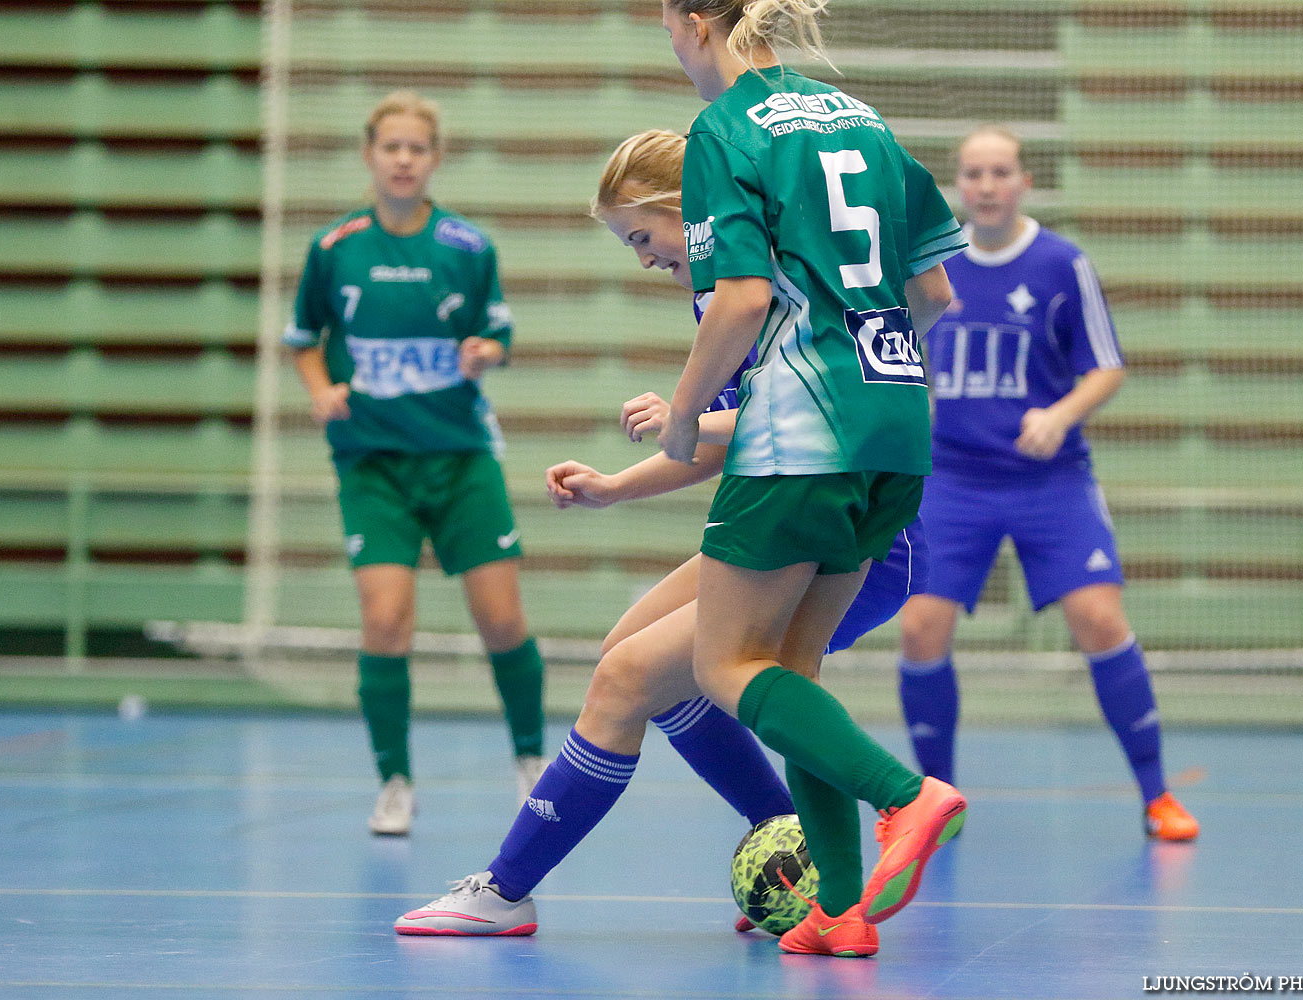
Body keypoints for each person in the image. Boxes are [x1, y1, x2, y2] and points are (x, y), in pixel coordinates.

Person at [393, 128, 929, 945]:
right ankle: (801, 856)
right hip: (820, 507)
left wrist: (689, 414)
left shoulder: (758, 280)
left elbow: (798, 416)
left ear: (689, 208)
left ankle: (505, 889)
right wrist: (617, 486)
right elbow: (737, 439)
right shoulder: (721, 289)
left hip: (843, 527)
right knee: (632, 653)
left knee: (628, 682)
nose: (642, 258)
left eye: (643, 236)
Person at [648, 0, 970, 958]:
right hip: (897, 418)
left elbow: (743, 297)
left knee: (721, 665)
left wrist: (679, 411)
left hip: (801, 425)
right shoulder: (861, 117)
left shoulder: (723, 129)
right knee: (793, 669)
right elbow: (937, 293)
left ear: (696, 21)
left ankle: (911, 796)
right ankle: (839, 911)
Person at [895, 125, 1200, 842]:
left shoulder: (1063, 263)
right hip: (954, 479)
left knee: (1098, 619)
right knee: (919, 628)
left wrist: (1060, 416)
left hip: (1050, 481)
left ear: (1024, 181)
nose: (988, 185)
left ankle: (1157, 795)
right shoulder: (929, 268)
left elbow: (1107, 366)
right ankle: (936, 804)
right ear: (958, 186)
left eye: (1001, 171)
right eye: (973, 173)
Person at [284, 90, 548, 836]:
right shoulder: (335, 249)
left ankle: (531, 759)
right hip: (373, 465)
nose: (403, 159)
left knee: (501, 620)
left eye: (417, 148)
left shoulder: (467, 248)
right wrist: (320, 390)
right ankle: (394, 781)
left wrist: (483, 352)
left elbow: (496, 336)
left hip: (461, 460)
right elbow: (303, 337)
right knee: (386, 621)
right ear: (369, 155)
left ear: (435, 159)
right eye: (390, 146)